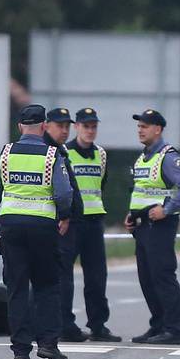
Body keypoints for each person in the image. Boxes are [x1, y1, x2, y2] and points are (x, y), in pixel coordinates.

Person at [0, 103, 75, 359]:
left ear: (20, 127)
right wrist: (64, 214)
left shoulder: (5, 154)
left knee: (17, 287)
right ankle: (48, 344)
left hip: (11, 227)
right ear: (44, 126)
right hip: (44, 227)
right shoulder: (51, 155)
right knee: (47, 285)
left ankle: (21, 350)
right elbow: (63, 193)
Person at [124, 108, 180, 344]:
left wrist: (166, 209)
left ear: (158, 129)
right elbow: (142, 191)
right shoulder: (143, 157)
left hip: (160, 225)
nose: (140, 130)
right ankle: (158, 325)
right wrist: (132, 215)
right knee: (147, 277)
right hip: (143, 225)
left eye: (144, 126)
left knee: (162, 275)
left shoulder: (168, 156)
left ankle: (173, 330)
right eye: (138, 126)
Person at [56, 107, 118, 343]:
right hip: (72, 221)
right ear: (76, 127)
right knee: (65, 275)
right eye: (86, 126)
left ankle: (98, 325)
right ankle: (65, 324)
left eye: (93, 127)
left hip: (94, 220)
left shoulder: (101, 154)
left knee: (96, 276)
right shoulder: (65, 152)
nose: (90, 131)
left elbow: (101, 184)